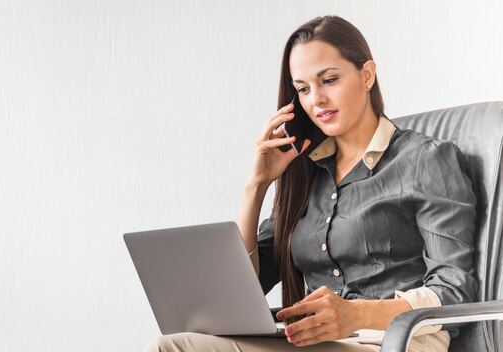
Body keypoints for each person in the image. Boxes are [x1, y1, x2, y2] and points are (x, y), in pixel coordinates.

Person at [144, 15, 476, 352]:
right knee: (173, 345)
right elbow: (245, 289)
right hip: (320, 342)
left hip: (395, 342)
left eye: (329, 80)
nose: (315, 99)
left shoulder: (426, 159)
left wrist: (355, 314)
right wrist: (256, 186)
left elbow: (453, 290)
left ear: (366, 75)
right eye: (302, 88)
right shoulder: (307, 172)